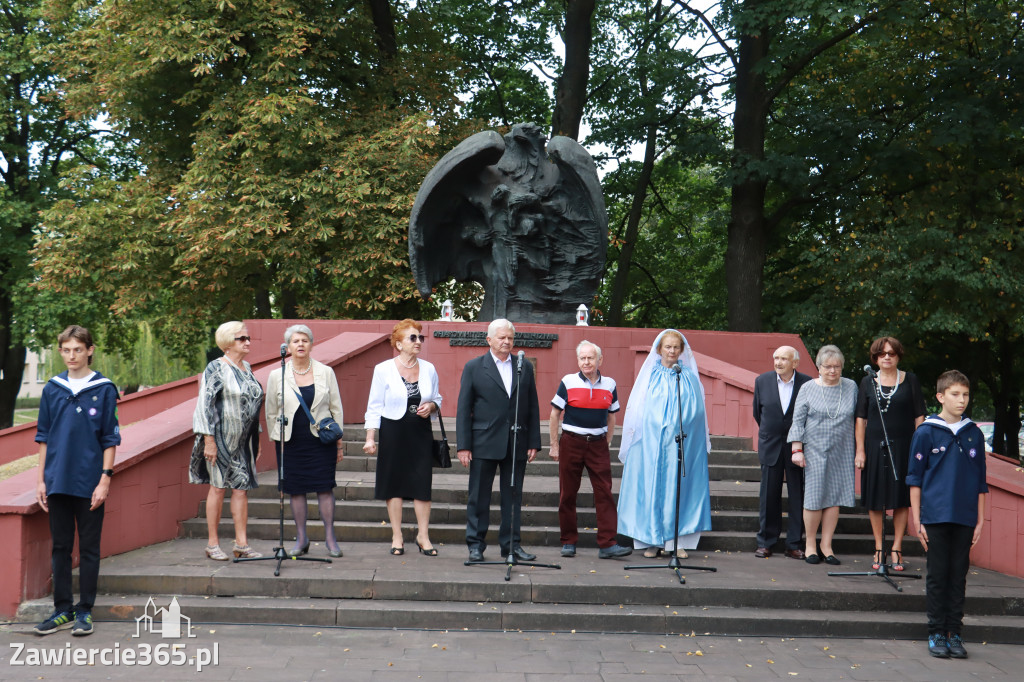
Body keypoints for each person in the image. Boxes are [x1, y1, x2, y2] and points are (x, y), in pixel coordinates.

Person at [33, 325, 121, 636]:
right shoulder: (52, 389)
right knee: (60, 547)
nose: (72, 355)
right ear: (60, 352)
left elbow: (110, 438)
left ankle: (85, 611)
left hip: (90, 482)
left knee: (89, 549)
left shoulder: (105, 388)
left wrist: (105, 479)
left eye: (78, 350)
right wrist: (42, 480)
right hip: (57, 480)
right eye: (67, 350)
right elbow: (43, 437)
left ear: (90, 350)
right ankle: (62, 609)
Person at [907, 370, 988, 659]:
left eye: (965, 394)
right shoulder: (926, 432)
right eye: (955, 394)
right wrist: (918, 519)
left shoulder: (974, 433)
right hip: (935, 517)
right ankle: (936, 632)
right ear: (941, 396)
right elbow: (914, 480)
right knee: (938, 576)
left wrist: (979, 520)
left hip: (965, 517)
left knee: (959, 576)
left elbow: (981, 482)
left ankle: (955, 632)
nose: (961, 400)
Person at [617, 329, 712, 559]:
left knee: (678, 489)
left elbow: (697, 412)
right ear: (659, 349)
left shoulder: (687, 376)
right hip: (652, 445)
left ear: (682, 350)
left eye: (675, 347)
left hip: (681, 446)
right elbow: (639, 411)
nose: (671, 351)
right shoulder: (650, 375)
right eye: (667, 347)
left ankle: (675, 542)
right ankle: (652, 541)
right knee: (652, 488)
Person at [457, 318, 541, 562]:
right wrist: (463, 445)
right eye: (502, 337)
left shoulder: (523, 366)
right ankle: (475, 545)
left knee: (513, 497)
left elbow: (532, 405)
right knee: (479, 496)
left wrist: (533, 441)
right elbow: (464, 408)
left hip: (516, 441)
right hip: (484, 441)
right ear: (489, 340)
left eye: (510, 338)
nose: (507, 342)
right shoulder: (474, 367)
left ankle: (511, 546)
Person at [364, 319, 442, 556]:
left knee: (422, 484)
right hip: (393, 430)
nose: (418, 341)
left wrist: (431, 406)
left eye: (420, 337)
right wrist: (370, 437)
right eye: (412, 338)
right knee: (394, 484)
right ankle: (397, 536)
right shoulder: (383, 369)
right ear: (399, 344)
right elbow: (374, 405)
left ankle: (423, 536)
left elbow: (437, 399)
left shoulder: (429, 368)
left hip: (420, 432)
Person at [266, 325, 345, 558]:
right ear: (288, 346)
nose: (300, 344)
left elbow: (336, 408)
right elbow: (271, 411)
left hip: (321, 441)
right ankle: (301, 537)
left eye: (305, 340)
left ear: (312, 344)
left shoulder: (325, 372)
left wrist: (339, 443)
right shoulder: (276, 374)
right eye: (295, 341)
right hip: (290, 442)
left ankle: (330, 537)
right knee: (296, 490)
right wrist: (277, 438)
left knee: (324, 488)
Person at [548, 341, 631, 559]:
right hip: (571, 442)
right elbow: (555, 414)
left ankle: (608, 544)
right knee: (567, 494)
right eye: (582, 358)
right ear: (578, 361)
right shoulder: (568, 381)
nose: (587, 362)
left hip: (597, 445)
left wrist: (608, 441)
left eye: (591, 358)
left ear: (599, 360)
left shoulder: (610, 384)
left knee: (604, 493)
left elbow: (612, 416)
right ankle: (568, 542)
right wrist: (554, 444)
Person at [190, 321, 264, 561]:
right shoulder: (216, 367)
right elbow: (205, 404)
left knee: (241, 489)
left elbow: (253, 405)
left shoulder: (247, 367)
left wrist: (257, 436)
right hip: (220, 439)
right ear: (227, 342)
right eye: (241, 338)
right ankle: (212, 544)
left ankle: (242, 544)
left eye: (247, 338)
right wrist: (208, 440)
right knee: (218, 488)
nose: (247, 342)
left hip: (243, 441)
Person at [855, 336, 926, 571]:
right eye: (882, 353)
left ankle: (896, 548)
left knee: (901, 500)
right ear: (875, 358)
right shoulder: (867, 382)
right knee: (875, 500)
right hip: (875, 447)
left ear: (898, 356)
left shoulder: (911, 380)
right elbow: (861, 419)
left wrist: (919, 448)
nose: (887, 357)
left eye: (891, 353)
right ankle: (878, 547)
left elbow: (919, 416)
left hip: (904, 447)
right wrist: (861, 451)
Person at [788, 345, 857, 565]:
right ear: (819, 367)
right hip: (815, 448)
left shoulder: (851, 387)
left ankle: (826, 545)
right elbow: (798, 420)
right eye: (828, 367)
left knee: (834, 497)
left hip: (842, 448)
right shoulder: (808, 387)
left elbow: (859, 418)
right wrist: (796, 449)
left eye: (837, 367)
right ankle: (810, 544)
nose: (832, 371)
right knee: (814, 496)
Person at [752, 346, 812, 559]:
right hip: (771, 445)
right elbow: (757, 413)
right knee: (768, 495)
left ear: (795, 363)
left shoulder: (807, 382)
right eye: (776, 358)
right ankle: (766, 542)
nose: (778, 362)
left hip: (797, 446)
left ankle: (794, 543)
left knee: (798, 495)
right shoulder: (762, 381)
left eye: (784, 359)